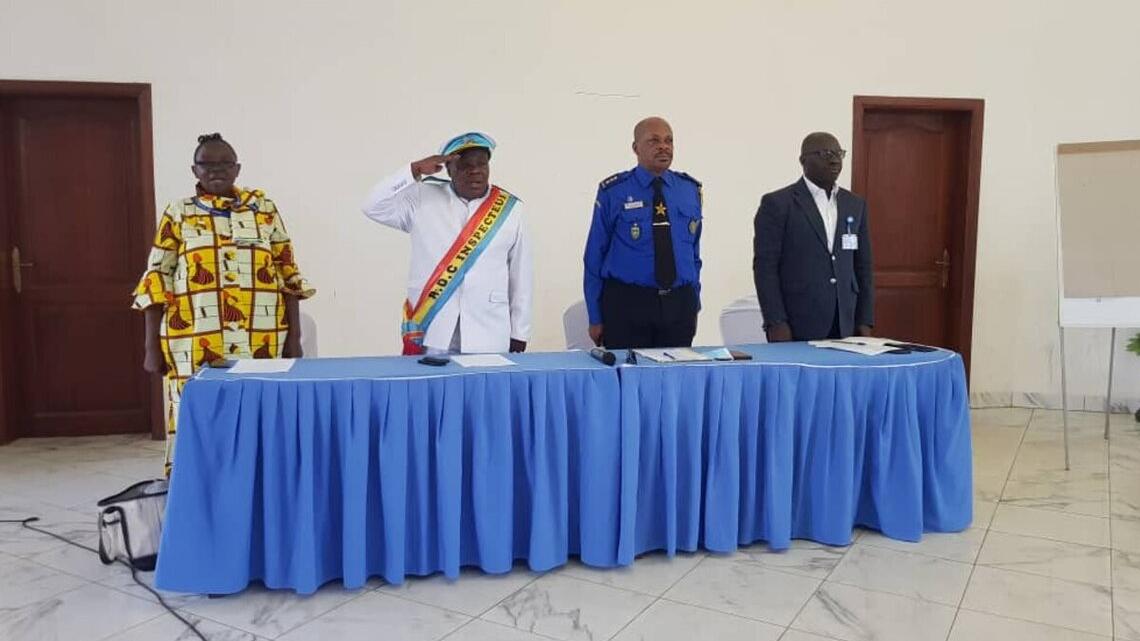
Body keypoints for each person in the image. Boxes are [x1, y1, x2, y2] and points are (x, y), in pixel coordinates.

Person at [132, 133, 314, 476]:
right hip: (192, 339)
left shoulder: (264, 210)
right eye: (207, 164)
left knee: (259, 411)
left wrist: (295, 338)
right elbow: (157, 277)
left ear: (237, 168)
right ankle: (195, 487)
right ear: (194, 170)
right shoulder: (178, 213)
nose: (216, 170)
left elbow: (287, 272)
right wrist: (151, 346)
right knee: (197, 414)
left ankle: (257, 482)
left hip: (260, 338)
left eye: (225, 163)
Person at [362, 132, 532, 355]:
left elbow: (521, 276)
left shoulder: (510, 209)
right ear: (448, 170)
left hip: (489, 330)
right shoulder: (421, 198)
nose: (475, 171)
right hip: (432, 330)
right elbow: (372, 206)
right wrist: (414, 170)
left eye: (482, 164)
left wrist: (520, 333)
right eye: (465, 165)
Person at [583, 117, 703, 349]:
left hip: (679, 305)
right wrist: (595, 316)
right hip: (628, 304)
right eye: (654, 141)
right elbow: (594, 256)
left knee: (677, 371)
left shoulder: (689, 190)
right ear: (635, 148)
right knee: (629, 371)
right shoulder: (614, 191)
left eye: (669, 141)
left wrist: (694, 303)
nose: (663, 147)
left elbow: (694, 253)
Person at [752, 132, 874, 342]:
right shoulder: (778, 204)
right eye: (826, 153)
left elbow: (863, 266)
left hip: (846, 322)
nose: (835, 160)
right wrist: (776, 321)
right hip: (797, 323)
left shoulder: (854, 204)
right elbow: (765, 268)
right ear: (803, 160)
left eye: (839, 154)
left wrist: (865, 320)